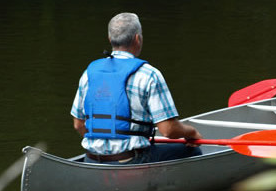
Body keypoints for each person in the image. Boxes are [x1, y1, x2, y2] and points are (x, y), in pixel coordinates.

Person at [71, 12, 203, 164]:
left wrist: (103, 145)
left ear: (110, 39)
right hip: (130, 160)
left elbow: (78, 124)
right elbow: (169, 130)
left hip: (92, 159)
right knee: (192, 150)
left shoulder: (89, 73)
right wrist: (191, 132)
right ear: (137, 39)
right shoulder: (149, 74)